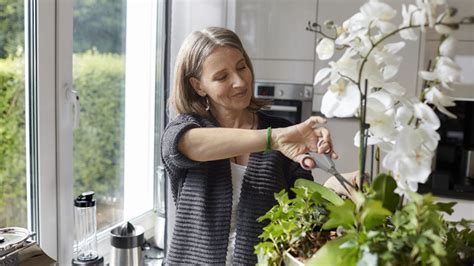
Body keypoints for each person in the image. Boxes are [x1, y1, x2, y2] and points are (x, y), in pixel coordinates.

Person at [161, 26, 339, 265]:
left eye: (241, 67)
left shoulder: (281, 130)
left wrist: (339, 184)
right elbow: (190, 145)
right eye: (222, 77)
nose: (239, 82)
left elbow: (305, 204)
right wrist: (273, 139)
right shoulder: (183, 131)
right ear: (198, 86)